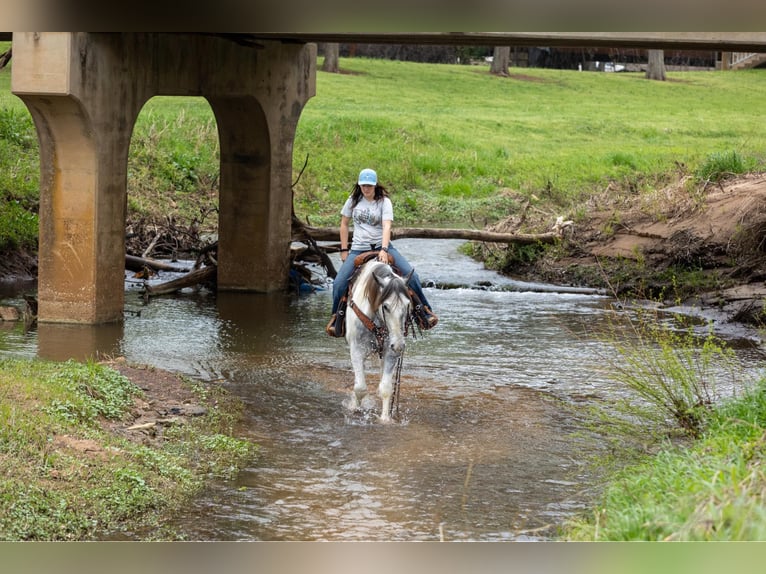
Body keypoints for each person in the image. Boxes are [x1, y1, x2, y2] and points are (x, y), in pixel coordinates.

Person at [326, 168, 438, 337]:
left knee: (411, 276)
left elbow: (387, 226)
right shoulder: (352, 200)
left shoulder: (384, 202)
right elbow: (344, 224)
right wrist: (343, 249)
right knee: (339, 283)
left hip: (382, 246)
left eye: (369, 186)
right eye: (363, 185)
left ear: (375, 185)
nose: (366, 189)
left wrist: (384, 249)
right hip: (358, 248)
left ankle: (424, 312)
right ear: (359, 185)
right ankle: (337, 319)